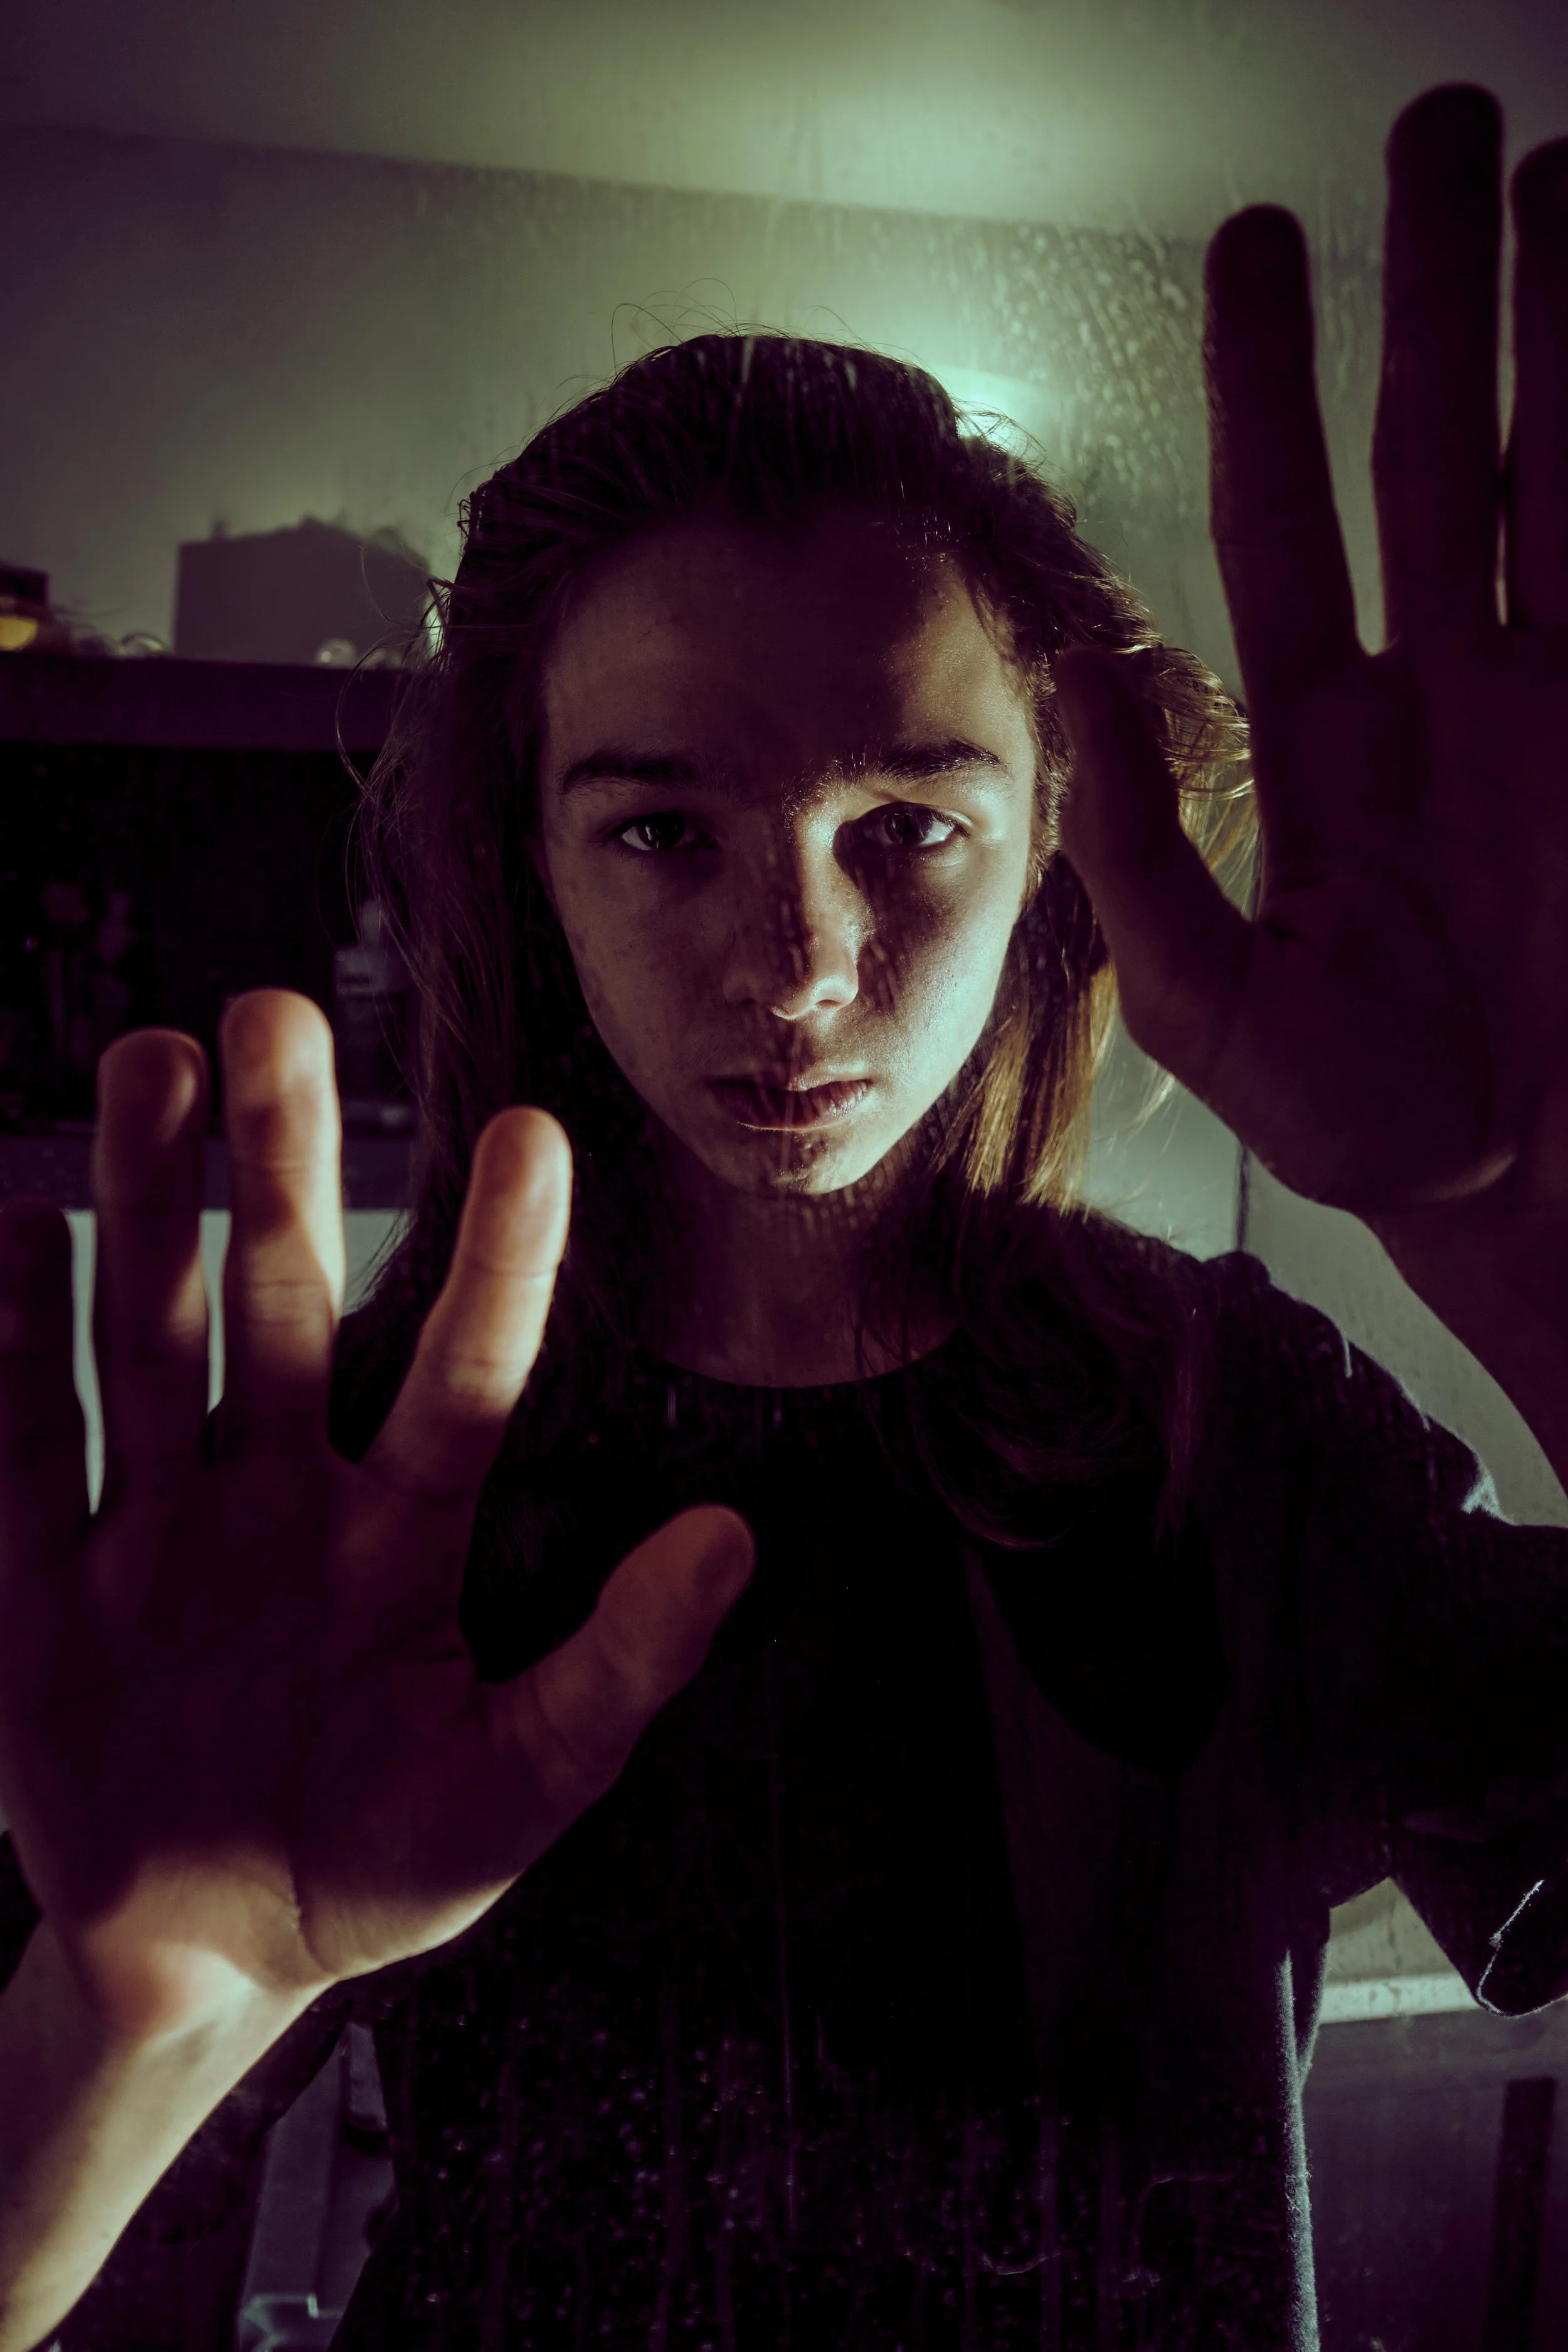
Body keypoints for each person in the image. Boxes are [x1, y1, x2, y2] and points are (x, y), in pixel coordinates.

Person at [1, 78, 1567, 2352]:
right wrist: (120, 2022)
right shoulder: (352, 1485)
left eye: (907, 824)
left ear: (1050, 846)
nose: (795, 963)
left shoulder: (1230, 1416)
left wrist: (1544, 1252)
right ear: (527, 863)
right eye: (659, 830)